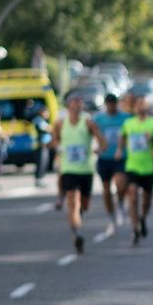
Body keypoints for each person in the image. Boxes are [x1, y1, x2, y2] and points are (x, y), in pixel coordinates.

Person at [56, 91, 108, 254]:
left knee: (83, 205)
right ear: (68, 104)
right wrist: (57, 147)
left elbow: (103, 141)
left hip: (86, 169)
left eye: (81, 100)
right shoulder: (60, 123)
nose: (79, 103)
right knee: (72, 201)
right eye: (75, 100)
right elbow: (53, 140)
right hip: (68, 169)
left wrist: (98, 149)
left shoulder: (88, 122)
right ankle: (76, 233)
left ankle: (76, 218)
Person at [121, 98, 153, 245]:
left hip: (148, 166)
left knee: (146, 198)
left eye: (143, 104)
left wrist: (151, 139)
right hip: (132, 166)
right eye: (138, 105)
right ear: (134, 107)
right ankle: (134, 228)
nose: (140, 107)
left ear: (147, 106)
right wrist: (120, 150)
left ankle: (143, 218)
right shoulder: (128, 123)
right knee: (132, 196)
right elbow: (123, 136)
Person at [93, 94, 131, 232]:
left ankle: (120, 202)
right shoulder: (98, 119)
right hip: (104, 158)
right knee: (106, 189)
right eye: (109, 103)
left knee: (121, 185)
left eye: (113, 103)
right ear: (105, 104)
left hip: (120, 157)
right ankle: (111, 216)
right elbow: (92, 133)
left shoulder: (125, 118)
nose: (111, 106)